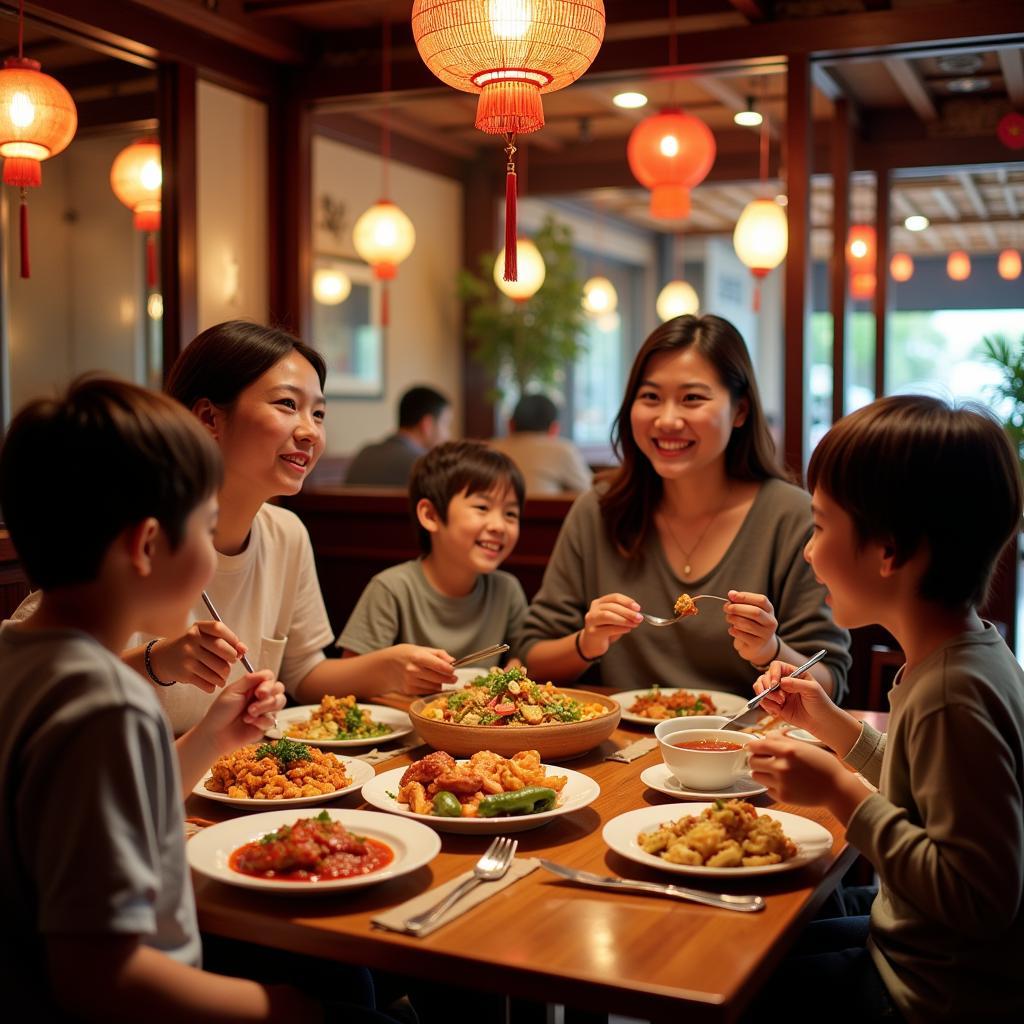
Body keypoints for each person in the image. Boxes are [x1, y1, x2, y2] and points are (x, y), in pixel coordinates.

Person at [0, 376, 389, 1021]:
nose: (215, 559)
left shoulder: (22, 659)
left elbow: (116, 811)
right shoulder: (105, 704)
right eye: (205, 531)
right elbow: (101, 978)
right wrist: (282, 1010)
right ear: (147, 545)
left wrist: (213, 738)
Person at [744, 395, 1024, 1022]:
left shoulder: (956, 692)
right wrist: (835, 728)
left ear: (889, 551)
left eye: (819, 526)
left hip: (928, 995)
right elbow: (924, 791)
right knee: (743, 947)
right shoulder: (961, 657)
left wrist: (839, 791)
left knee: (733, 985)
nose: (809, 553)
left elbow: (978, 897)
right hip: (911, 953)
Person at [517, 314, 850, 698]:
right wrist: (586, 642)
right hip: (619, 746)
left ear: (740, 410)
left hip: (747, 746)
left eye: (692, 398)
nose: (668, 419)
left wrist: (769, 650)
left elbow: (831, 681)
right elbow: (532, 655)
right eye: (650, 397)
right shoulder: (598, 511)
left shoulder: (790, 516)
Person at [336, 440, 528, 689]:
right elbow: (348, 680)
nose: (499, 526)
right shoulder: (393, 588)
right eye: (482, 507)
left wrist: (514, 670)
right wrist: (392, 672)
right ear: (431, 515)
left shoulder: (507, 589)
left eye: (510, 514)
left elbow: (524, 653)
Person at [345, 385, 453, 486]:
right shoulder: (424, 466)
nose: (448, 434)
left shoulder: (364, 454)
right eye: (446, 424)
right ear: (427, 425)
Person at [489, 392, 592, 494]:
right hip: (548, 511)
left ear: (510, 425)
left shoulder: (491, 449)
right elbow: (591, 492)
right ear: (554, 429)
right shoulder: (562, 450)